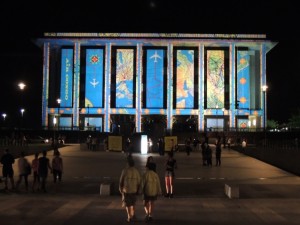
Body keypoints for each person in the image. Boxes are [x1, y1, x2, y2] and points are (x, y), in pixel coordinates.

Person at [119, 156, 141, 222]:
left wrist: (120, 189)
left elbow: (121, 181)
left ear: (128, 164)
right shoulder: (136, 171)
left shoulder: (125, 171)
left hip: (126, 190)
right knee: (133, 203)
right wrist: (138, 190)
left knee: (128, 204)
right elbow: (139, 182)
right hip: (134, 190)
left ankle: (129, 216)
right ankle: (133, 215)